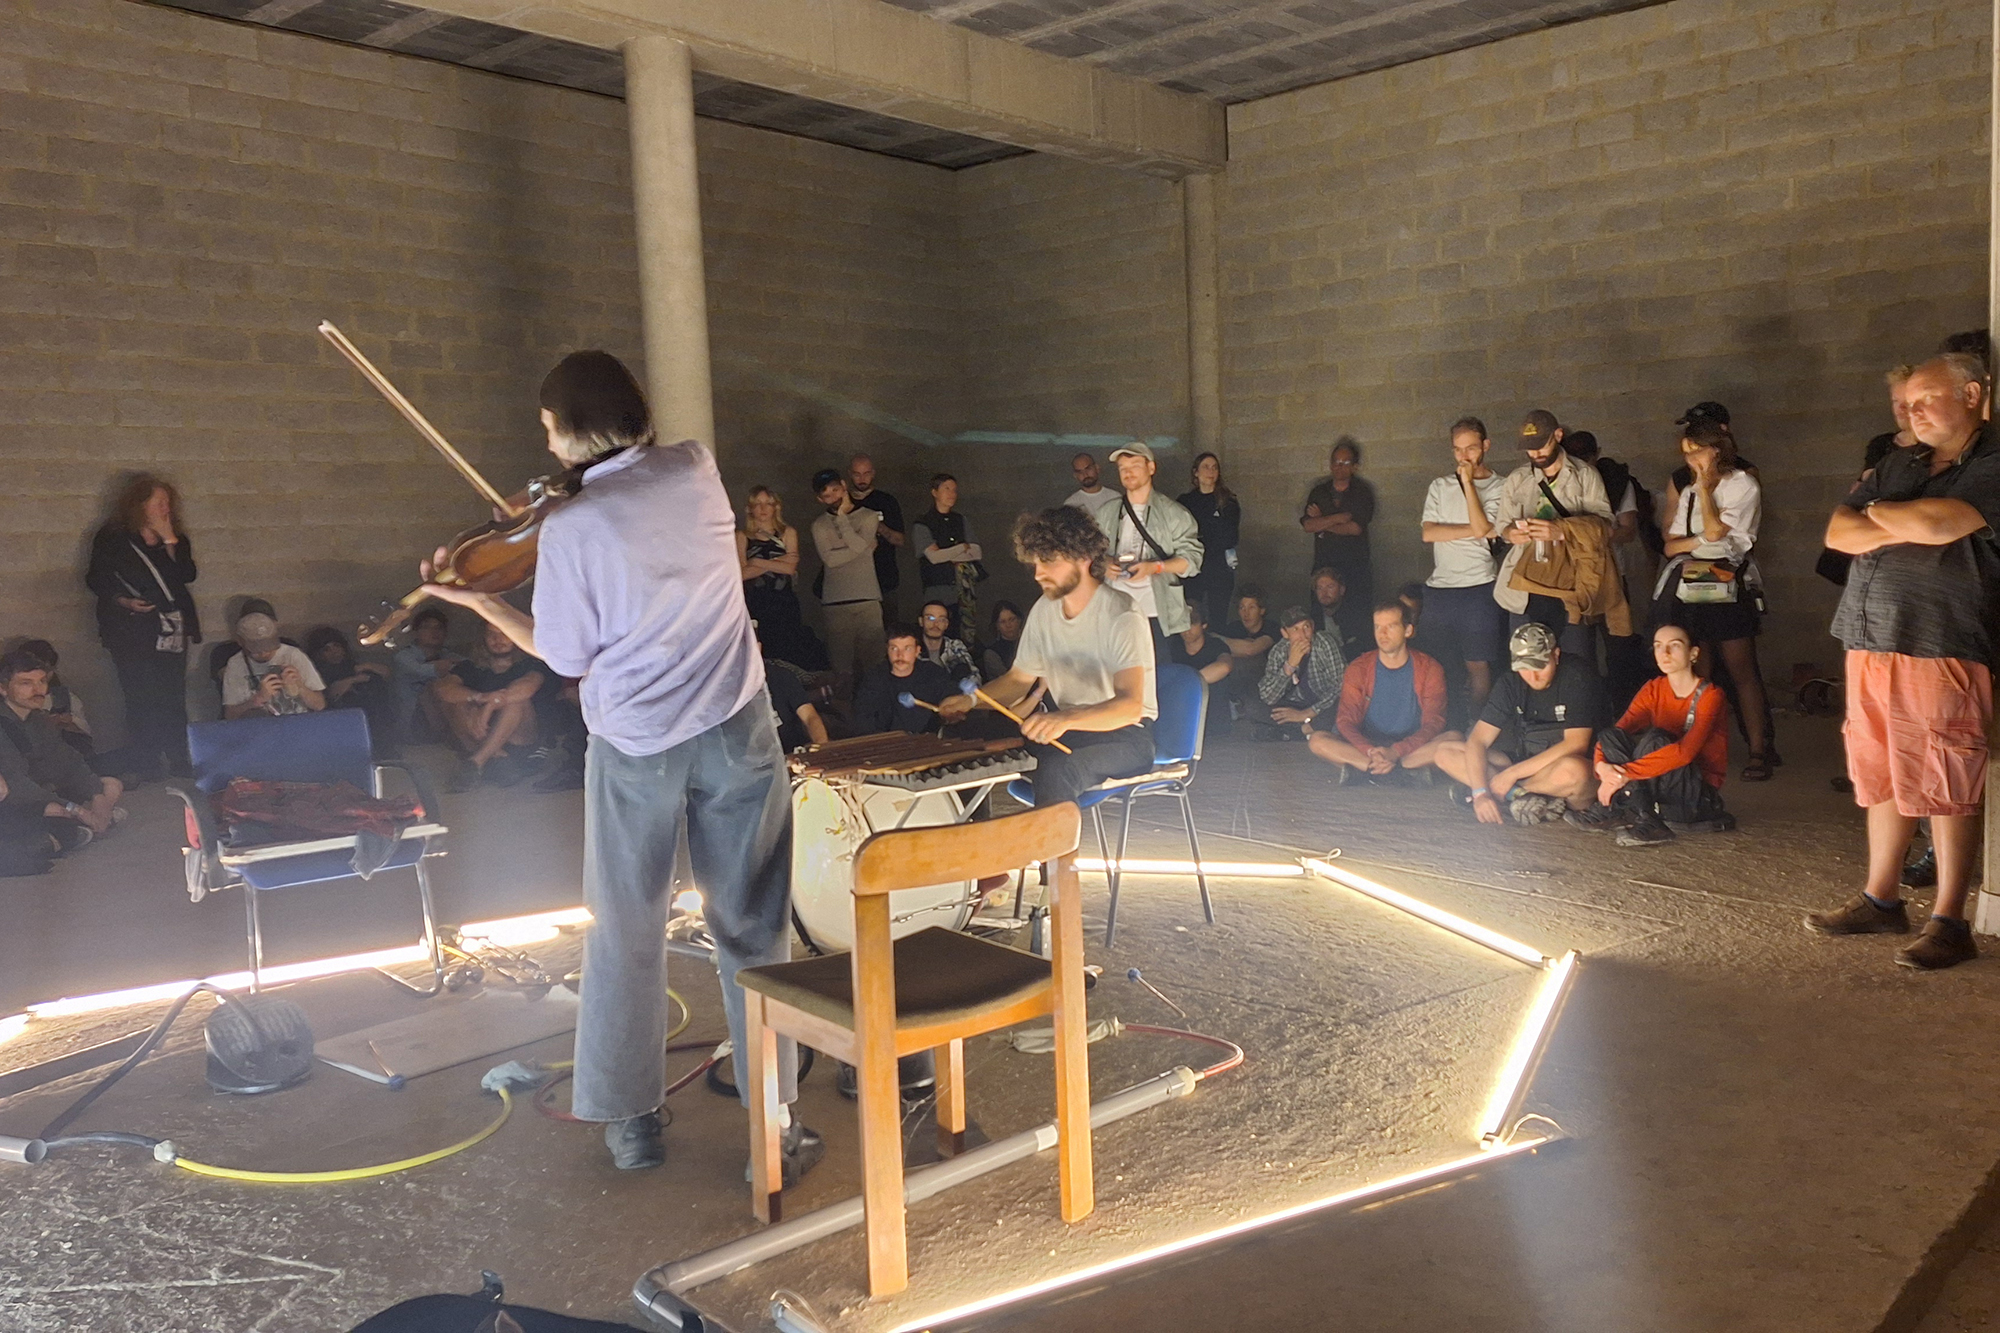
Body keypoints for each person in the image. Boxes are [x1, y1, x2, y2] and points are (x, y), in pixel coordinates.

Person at [417, 348, 822, 1177]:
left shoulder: (573, 525)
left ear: (563, 429)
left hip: (638, 743)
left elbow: (565, 654)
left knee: (628, 929)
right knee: (752, 922)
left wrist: (481, 597)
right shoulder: (696, 469)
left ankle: (632, 1121)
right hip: (736, 721)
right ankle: (774, 1128)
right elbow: (633, 494)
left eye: (545, 426)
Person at [1806, 353, 2000, 970]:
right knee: (1879, 770)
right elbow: (1837, 532)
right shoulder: (1900, 460)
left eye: (1924, 401)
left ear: (1971, 394)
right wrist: (1898, 522)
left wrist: (1879, 518)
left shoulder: (1993, 462)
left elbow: (1943, 523)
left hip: (1940, 640)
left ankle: (1949, 920)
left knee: (1945, 778)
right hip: (1869, 635)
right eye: (1905, 404)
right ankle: (1881, 898)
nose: (1910, 413)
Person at [971, 506, 1155, 805]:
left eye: (1048, 562)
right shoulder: (1044, 609)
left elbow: (1130, 707)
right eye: (1035, 563)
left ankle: (1056, 854)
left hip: (1126, 737)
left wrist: (1063, 718)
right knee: (978, 753)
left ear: (1083, 557)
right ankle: (967, 847)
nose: (1038, 573)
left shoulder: (1122, 614)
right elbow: (1018, 679)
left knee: (1057, 771)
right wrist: (969, 702)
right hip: (1071, 730)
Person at [1654, 419, 1774, 779]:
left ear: (1716, 449)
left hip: (1728, 581)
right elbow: (1671, 544)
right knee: (1699, 670)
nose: (1690, 459)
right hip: (1693, 583)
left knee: (1742, 670)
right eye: (1685, 452)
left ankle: (1759, 749)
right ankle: (1700, 748)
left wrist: (1706, 490)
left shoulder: (1742, 485)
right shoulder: (1688, 490)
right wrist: (1700, 540)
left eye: (1697, 451)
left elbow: (1718, 530)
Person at [1571, 624, 1734, 848]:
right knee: (1611, 735)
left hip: (1694, 792)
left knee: (1656, 739)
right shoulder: (1654, 688)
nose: (1664, 654)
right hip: (1661, 781)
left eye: (1674, 646)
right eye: (1658, 647)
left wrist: (1626, 774)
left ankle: (1636, 812)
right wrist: (1603, 769)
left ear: (1693, 653)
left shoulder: (1710, 695)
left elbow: (1684, 754)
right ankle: (1635, 812)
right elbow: (1616, 733)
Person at [86, 473, 199, 779]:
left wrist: (170, 541)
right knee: (140, 695)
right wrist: (124, 601)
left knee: (173, 695)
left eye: (168, 503)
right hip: (131, 630)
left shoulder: (175, 537)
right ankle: (146, 762)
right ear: (140, 505)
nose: (165, 508)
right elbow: (97, 578)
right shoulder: (113, 538)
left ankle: (179, 758)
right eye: (159, 502)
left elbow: (186, 575)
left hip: (171, 627)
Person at [1432, 622, 1599, 825]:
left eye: (1541, 666)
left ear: (1556, 655)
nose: (1533, 676)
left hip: (1562, 771)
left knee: (1575, 771)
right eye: (1525, 668)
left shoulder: (1577, 676)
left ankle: (1516, 794)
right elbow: (1478, 739)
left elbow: (1576, 744)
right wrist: (1480, 793)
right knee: (1445, 751)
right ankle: (1520, 797)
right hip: (1525, 763)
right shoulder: (1510, 682)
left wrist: (1511, 775)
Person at [1493, 410, 1613, 664]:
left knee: (1576, 660)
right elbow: (1502, 525)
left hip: (1570, 583)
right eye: (1529, 449)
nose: (1535, 454)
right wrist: (1510, 534)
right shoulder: (1518, 479)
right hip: (1526, 583)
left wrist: (1562, 530)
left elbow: (1606, 528)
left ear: (1558, 436)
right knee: (1528, 662)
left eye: (1541, 445)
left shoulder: (1585, 476)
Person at [0, 650, 126, 861]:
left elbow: (69, 763)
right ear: (3, 689)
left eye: (41, 681)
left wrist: (97, 797)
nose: (37, 690)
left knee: (110, 785)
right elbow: (16, 782)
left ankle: (89, 822)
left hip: (46, 788)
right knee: (53, 809)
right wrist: (75, 809)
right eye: (26, 683)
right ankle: (72, 830)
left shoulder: (39, 720)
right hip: (20, 798)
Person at [1308, 600, 1452, 783]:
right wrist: (1368, 749)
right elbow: (1345, 721)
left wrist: (1396, 751)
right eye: (1377, 627)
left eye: (1390, 626)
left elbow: (1434, 722)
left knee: (1453, 739)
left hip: (1413, 746)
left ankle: (1367, 772)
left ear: (1408, 630)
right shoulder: (1359, 668)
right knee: (1317, 740)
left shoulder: (1430, 668)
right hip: (1369, 744)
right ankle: (1401, 773)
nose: (1382, 634)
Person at [1421, 418, 1507, 722]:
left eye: (1471, 448)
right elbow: (1429, 533)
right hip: (1440, 588)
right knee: (1438, 663)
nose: (1464, 456)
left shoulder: (1500, 485)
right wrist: (1474, 530)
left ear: (1485, 446)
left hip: (1479, 586)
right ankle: (1443, 724)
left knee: (1477, 662)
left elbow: (1487, 527)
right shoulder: (1439, 486)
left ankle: (1475, 725)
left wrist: (1469, 484)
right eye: (1458, 450)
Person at [1564, 429, 1654, 709]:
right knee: (1579, 649)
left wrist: (1591, 534)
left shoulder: (1614, 481)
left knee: (1619, 645)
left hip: (1611, 574)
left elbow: (1628, 531)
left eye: (1585, 458)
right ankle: (1590, 713)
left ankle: (1624, 710)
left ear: (1596, 455)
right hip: (1574, 577)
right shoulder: (1562, 483)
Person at [1094, 442, 1203, 661]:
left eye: (1134, 465)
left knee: (1156, 675)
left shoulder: (1173, 513)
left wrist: (1155, 567)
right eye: (1122, 468)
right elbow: (1088, 552)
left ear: (1151, 468)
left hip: (1155, 611)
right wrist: (1104, 563)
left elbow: (1192, 560)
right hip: (1115, 610)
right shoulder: (1107, 512)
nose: (1128, 472)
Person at [434, 622, 547, 789]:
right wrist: (480, 697)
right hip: (478, 737)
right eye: (491, 634)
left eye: (504, 633)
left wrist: (491, 705)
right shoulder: (471, 667)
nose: (498, 639)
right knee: (457, 701)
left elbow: (528, 687)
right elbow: (443, 689)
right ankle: (495, 756)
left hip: (520, 739)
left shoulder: (533, 663)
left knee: (517, 701)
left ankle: (475, 763)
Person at [809, 467, 885, 695]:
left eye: (836, 489)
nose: (834, 496)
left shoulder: (869, 516)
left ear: (844, 485)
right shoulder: (819, 525)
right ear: (820, 499)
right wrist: (861, 548)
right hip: (835, 603)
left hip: (868, 599)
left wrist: (843, 520)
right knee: (842, 672)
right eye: (827, 493)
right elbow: (830, 559)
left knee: (875, 666)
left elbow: (859, 545)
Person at [738, 485, 828, 673]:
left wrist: (756, 562)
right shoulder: (742, 536)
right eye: (758, 504)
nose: (763, 509)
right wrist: (776, 561)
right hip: (756, 601)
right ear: (750, 508)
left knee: (788, 647)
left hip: (783, 601)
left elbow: (790, 568)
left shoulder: (788, 533)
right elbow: (742, 573)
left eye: (768, 504)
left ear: (776, 507)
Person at [1299, 437, 1375, 649]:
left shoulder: (1361, 492)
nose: (1339, 467)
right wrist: (1339, 518)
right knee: (1319, 619)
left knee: (1356, 624)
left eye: (1345, 463)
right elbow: (1308, 525)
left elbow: (1355, 528)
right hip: (1324, 565)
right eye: (1335, 462)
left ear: (1355, 466)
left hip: (1355, 567)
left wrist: (1322, 521)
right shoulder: (1319, 491)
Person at [911, 473, 985, 641]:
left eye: (954, 490)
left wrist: (948, 553)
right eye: (946, 489)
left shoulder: (960, 520)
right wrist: (960, 548)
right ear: (934, 492)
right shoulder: (923, 522)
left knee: (965, 634)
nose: (952, 494)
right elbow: (934, 557)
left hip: (963, 590)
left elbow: (976, 552)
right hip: (937, 588)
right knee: (938, 634)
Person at [1254, 605, 1345, 741]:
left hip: (1322, 705)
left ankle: (1293, 732)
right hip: (1295, 704)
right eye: (1295, 629)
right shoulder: (1279, 651)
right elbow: (1268, 696)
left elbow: (1341, 685)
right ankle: (1306, 730)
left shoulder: (1325, 643)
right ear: (1285, 633)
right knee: (1254, 708)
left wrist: (1306, 713)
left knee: (1344, 705)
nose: (1302, 635)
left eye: (1306, 627)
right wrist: (1290, 666)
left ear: (1313, 627)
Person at [853, 623, 963, 735]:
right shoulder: (873, 679)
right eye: (894, 648)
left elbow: (954, 700)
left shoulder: (934, 674)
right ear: (887, 650)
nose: (900, 655)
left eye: (907, 649)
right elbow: (863, 720)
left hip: (927, 742)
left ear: (917, 651)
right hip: (887, 744)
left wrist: (951, 711)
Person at [304, 626, 398, 756]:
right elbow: (331, 694)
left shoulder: (353, 664)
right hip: (341, 719)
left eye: (336, 646)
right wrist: (354, 680)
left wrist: (367, 666)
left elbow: (387, 673)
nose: (334, 652)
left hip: (374, 715)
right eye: (327, 649)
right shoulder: (317, 671)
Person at [220, 609, 325, 721]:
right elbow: (230, 715)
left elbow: (319, 705)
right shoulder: (236, 663)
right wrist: (256, 700)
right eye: (256, 650)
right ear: (241, 642)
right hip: (260, 728)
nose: (264, 653)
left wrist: (300, 687)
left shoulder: (293, 655)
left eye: (268, 646)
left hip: (298, 724)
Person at [1177, 451, 1240, 626]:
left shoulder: (1228, 501)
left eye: (1214, 467)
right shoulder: (1185, 501)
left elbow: (1230, 537)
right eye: (1206, 467)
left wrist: (1203, 534)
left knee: (1218, 616)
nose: (1210, 471)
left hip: (1218, 567)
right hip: (1193, 566)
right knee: (1192, 613)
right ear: (1196, 472)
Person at [846, 454, 905, 616]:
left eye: (866, 473)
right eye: (857, 474)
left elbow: (900, 540)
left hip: (884, 578)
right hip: (852, 581)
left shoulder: (886, 501)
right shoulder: (844, 502)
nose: (862, 479)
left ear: (873, 473)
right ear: (850, 474)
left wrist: (875, 525)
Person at [392, 607, 462, 743]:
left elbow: (469, 667)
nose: (434, 632)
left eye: (439, 628)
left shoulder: (448, 655)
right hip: (414, 720)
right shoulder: (404, 657)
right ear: (416, 632)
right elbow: (430, 670)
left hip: (444, 714)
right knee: (432, 689)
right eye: (427, 627)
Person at [15, 640, 93, 758]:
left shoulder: (65, 697)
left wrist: (70, 722)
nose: (43, 675)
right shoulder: (11, 699)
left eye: (48, 670)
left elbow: (86, 734)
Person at [1169, 598, 1233, 734]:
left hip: (1214, 722)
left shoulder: (1215, 645)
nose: (1187, 630)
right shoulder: (1172, 646)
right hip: (1181, 720)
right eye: (1183, 624)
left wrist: (1186, 683)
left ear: (1204, 625)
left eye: (1193, 623)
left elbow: (1224, 666)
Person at [764, 659, 829, 753]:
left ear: (758, 647)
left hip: (792, 753)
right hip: (748, 761)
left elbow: (809, 716)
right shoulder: (735, 684)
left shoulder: (781, 676)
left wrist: (821, 747)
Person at [917, 598, 979, 681]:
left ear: (946, 624)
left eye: (941, 619)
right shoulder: (911, 649)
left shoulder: (955, 646)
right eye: (930, 618)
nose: (936, 624)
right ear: (921, 621)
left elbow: (974, 678)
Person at [1308, 567, 1350, 651]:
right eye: (1320, 588)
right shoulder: (1311, 618)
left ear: (1341, 590)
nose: (1324, 593)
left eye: (1330, 587)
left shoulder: (1356, 617)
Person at [982, 601, 1025, 681]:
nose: (1008, 625)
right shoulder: (992, 653)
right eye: (1003, 622)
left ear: (1019, 620)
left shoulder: (1031, 642)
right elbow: (1009, 680)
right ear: (997, 626)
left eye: (1012, 619)